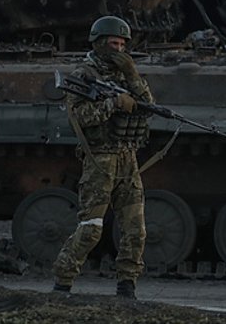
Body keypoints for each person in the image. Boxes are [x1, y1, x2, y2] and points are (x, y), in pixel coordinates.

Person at [51, 15, 154, 299]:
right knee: (91, 228)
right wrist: (113, 103)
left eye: (122, 44)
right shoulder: (84, 75)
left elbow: (148, 106)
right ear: (98, 43)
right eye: (113, 43)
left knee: (135, 229)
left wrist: (133, 75)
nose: (118, 49)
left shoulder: (125, 74)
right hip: (100, 160)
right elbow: (79, 116)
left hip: (126, 158)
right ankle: (62, 283)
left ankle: (127, 287)